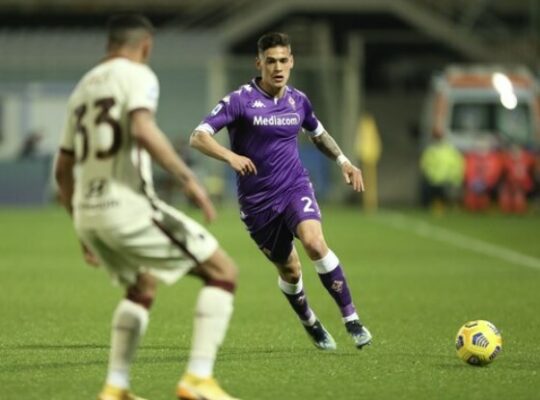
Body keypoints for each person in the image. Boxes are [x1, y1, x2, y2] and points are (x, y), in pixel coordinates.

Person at [54, 15, 240, 400]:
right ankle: (197, 379)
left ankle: (115, 387)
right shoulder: (138, 75)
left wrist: (81, 228)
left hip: (88, 213)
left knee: (142, 284)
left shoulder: (83, 88)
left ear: (109, 43)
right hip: (127, 207)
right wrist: (188, 179)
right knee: (223, 271)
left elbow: (62, 169)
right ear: (146, 45)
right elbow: (142, 128)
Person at [190, 32, 372, 350]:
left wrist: (344, 160)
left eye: (283, 60)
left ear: (292, 62)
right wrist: (230, 156)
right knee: (290, 271)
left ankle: (351, 319)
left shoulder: (298, 101)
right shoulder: (239, 100)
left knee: (315, 243)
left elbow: (318, 134)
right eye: (270, 61)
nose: (277, 67)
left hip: (294, 186)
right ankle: (310, 322)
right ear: (259, 63)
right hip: (257, 203)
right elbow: (198, 136)